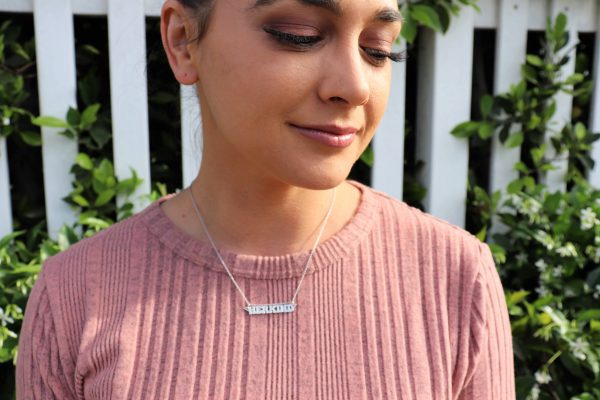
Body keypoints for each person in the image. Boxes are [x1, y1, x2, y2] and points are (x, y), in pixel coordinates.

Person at [16, 0, 515, 398]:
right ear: (183, 41)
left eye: (378, 49)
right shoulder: (75, 296)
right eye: (298, 35)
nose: (355, 86)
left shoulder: (453, 277)